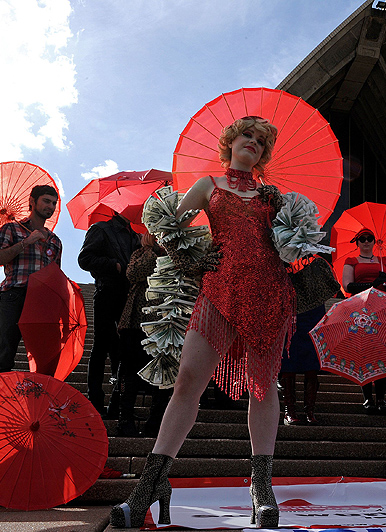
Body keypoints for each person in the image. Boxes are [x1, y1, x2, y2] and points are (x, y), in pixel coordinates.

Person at [110, 116, 294, 529]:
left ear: (264, 155)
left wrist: (289, 223)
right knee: (188, 379)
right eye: (247, 135)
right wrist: (190, 257)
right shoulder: (209, 185)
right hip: (219, 289)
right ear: (230, 143)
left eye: (262, 141)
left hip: (268, 293)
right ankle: (149, 487)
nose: (254, 143)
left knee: (263, 385)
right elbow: (165, 228)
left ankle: (261, 489)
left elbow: (293, 242)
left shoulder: (272, 196)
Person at [0, 184, 62, 374]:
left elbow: (56, 275)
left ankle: (40, 402)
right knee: (3, 358)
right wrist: (26, 242)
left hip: (42, 302)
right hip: (14, 295)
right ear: (32, 201)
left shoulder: (55, 241)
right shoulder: (11, 229)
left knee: (45, 362)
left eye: (54, 203)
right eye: (46, 201)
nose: (51, 206)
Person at [78, 212, 141, 417]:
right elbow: (84, 258)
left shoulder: (135, 234)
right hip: (107, 290)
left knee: (124, 348)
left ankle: (117, 399)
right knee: (102, 343)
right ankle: (95, 399)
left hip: (129, 296)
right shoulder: (101, 229)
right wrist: (112, 264)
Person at [116, 233, 171, 437]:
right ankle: (125, 419)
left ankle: (156, 421)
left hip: (165, 323)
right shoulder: (141, 253)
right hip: (135, 321)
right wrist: (154, 252)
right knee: (129, 371)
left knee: (163, 373)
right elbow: (134, 274)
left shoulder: (176, 254)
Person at [341, 228, 386, 415]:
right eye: (362, 239)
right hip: (361, 309)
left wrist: (385, 282)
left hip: (381, 309)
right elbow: (347, 285)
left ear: (374, 241)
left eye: (369, 238)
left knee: (382, 351)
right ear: (357, 243)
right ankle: (367, 397)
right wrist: (371, 285)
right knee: (363, 350)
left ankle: (380, 397)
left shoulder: (384, 260)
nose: (365, 241)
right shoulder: (351, 261)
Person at [280, 303, 325, 425]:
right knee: (288, 358)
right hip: (289, 304)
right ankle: (289, 411)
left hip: (313, 306)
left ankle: (310, 412)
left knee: (312, 361)